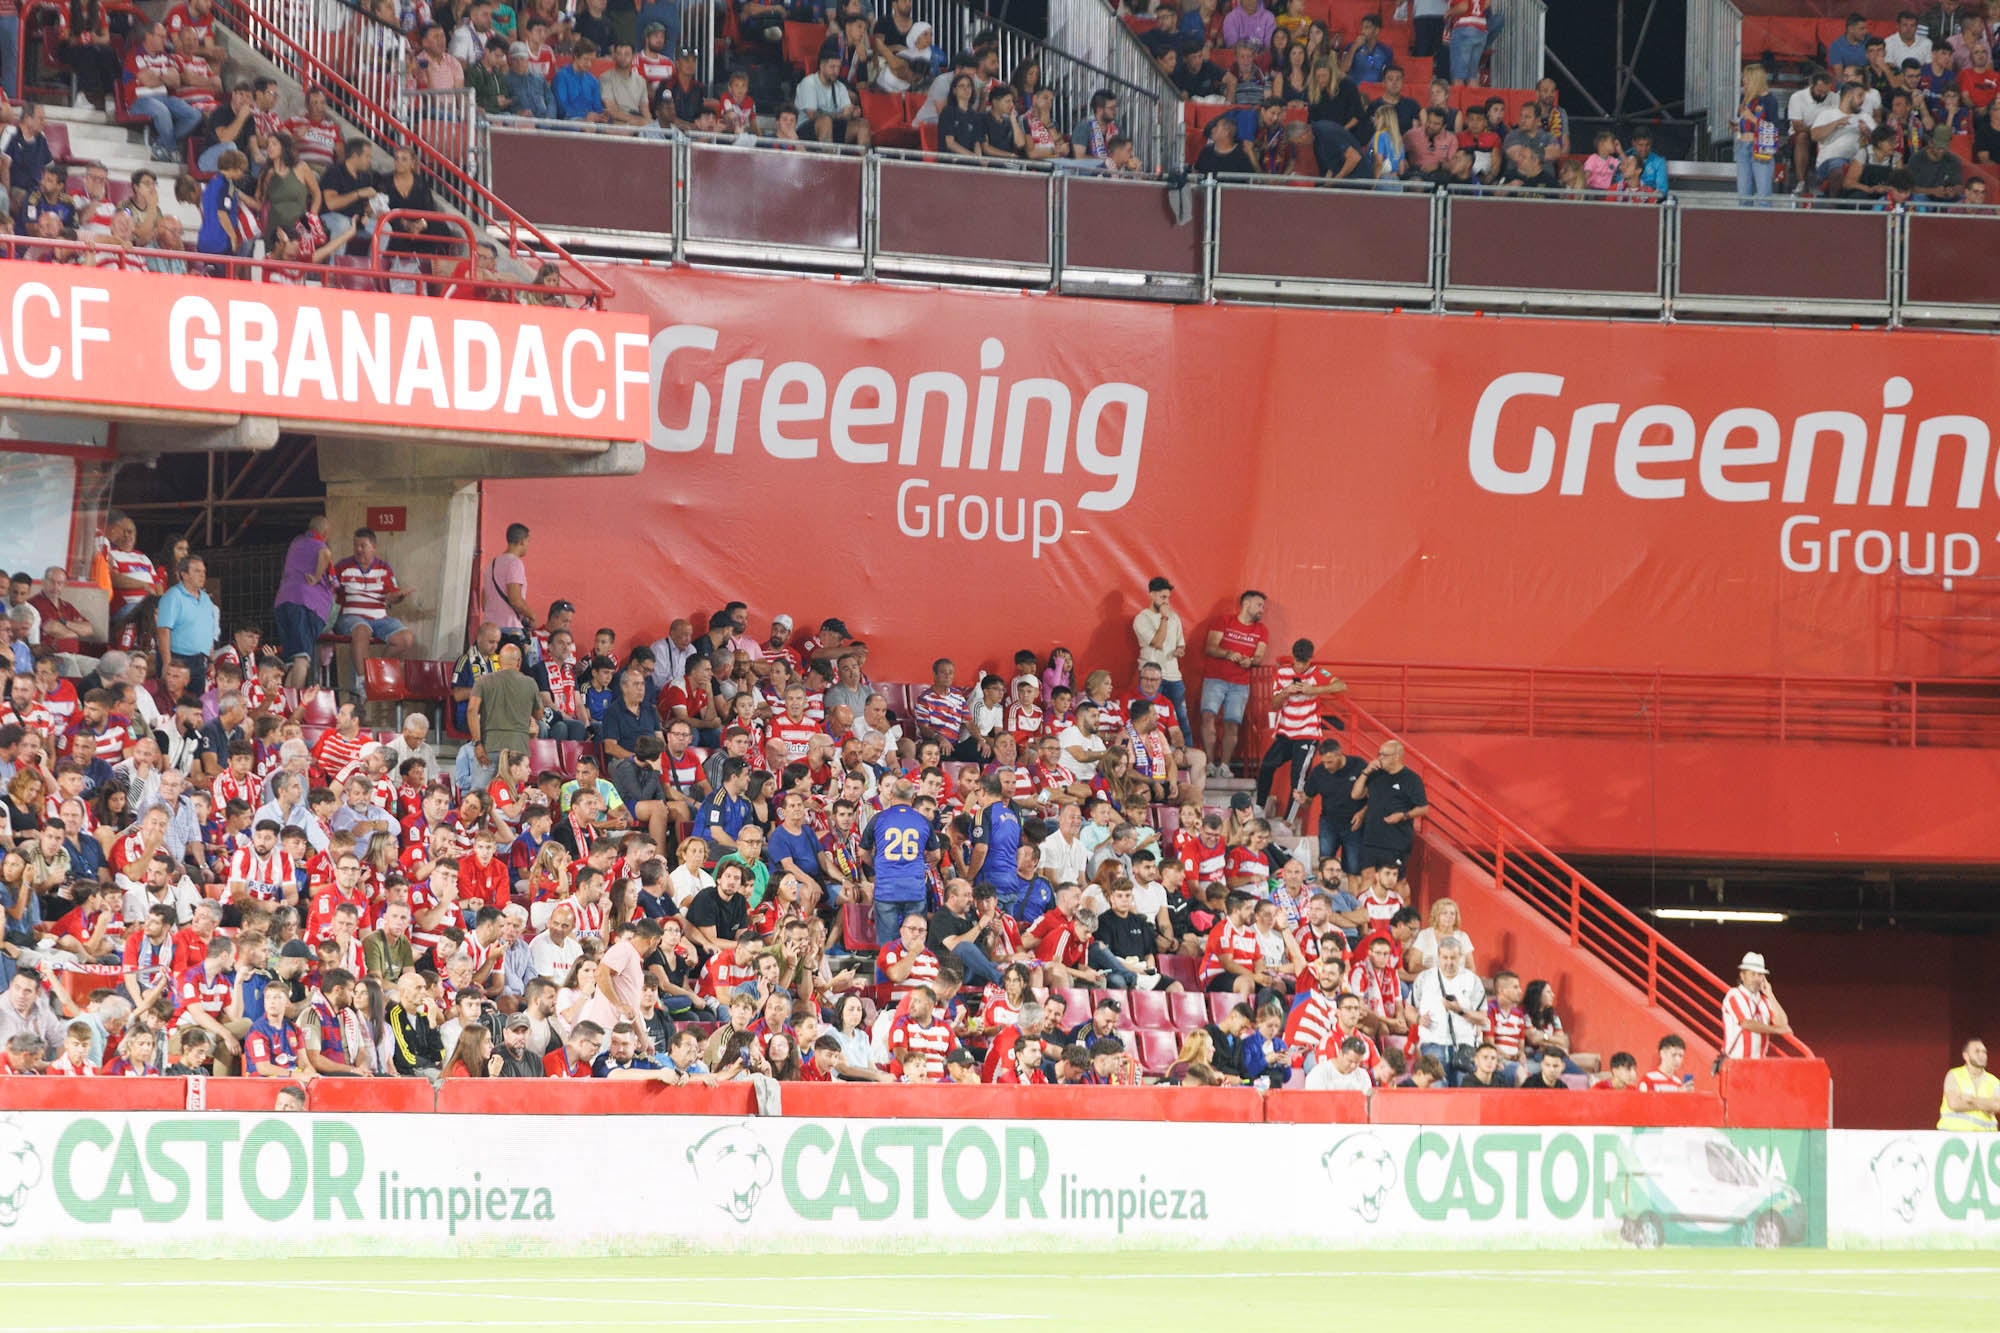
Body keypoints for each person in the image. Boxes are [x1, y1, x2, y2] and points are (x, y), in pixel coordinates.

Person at [1200, 590, 1268, 776]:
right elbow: (1210, 647)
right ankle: (1209, 763)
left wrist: (1251, 661)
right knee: (1208, 717)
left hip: (1240, 683)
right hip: (1215, 679)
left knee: (1232, 724)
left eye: (1263, 606)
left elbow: (1259, 656)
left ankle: (1224, 766)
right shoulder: (1224, 621)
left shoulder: (1261, 630)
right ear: (1246, 604)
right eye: (1259, 605)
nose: (1262, 610)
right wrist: (1228, 654)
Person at [1411, 934, 1484, 1085]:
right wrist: (1418, 1019)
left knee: (1463, 1096)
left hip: (1464, 1046)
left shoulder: (1472, 980)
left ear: (1461, 957)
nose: (1449, 962)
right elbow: (1408, 1009)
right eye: (1445, 957)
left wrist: (1460, 1011)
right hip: (1432, 1044)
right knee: (1437, 1095)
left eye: (1453, 958)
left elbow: (1483, 1018)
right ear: (1438, 956)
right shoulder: (1424, 978)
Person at [1352, 740, 1429, 871]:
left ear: (1397, 756)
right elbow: (1356, 795)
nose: (1379, 758)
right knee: (1367, 876)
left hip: (1396, 840)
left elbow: (1423, 808)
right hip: (1372, 837)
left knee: (1397, 881)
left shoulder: (1411, 779)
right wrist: (1365, 772)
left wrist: (1403, 815)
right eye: (1379, 754)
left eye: (1384, 755)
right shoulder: (1375, 775)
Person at [1721, 951, 1791, 1060]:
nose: (1756, 979)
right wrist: (1776, 1030)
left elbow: (1782, 1022)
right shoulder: (1734, 995)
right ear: (1742, 975)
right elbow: (1746, 1023)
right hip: (1736, 1062)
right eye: (1752, 974)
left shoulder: (1765, 1000)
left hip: (1759, 1064)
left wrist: (1770, 994)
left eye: (1760, 975)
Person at [1939, 1038, 1998, 1131]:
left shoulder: (1994, 1081)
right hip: (1954, 1137)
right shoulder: (1954, 1075)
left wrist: (1971, 1100)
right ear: (1965, 1056)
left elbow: (1997, 1106)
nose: (1982, 1055)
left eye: (1984, 1052)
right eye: (1977, 1051)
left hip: (1985, 1139)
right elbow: (1954, 1104)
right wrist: (1986, 1105)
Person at [1305, 1034, 1373, 1091]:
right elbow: (1314, 1102)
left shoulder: (1363, 1075)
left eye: (1357, 1062)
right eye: (1350, 1061)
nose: (1353, 1066)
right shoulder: (1319, 1073)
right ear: (1340, 1053)